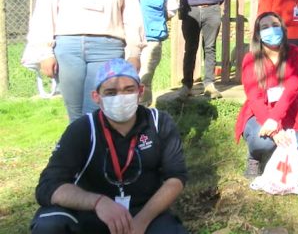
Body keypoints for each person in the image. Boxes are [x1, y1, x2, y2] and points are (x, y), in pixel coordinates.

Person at [30, 58, 188, 234]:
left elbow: (176, 177)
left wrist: (141, 221)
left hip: (143, 212)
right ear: (96, 97)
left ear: (140, 91)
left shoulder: (160, 123)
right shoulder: (83, 129)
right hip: (91, 212)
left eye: (128, 90)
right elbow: (48, 186)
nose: (120, 98)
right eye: (111, 93)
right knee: (49, 224)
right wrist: (97, 202)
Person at [236, 12, 298, 179]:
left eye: (275, 25)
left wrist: (275, 119)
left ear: (283, 29)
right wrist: (274, 131)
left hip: (290, 111)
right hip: (259, 113)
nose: (271, 30)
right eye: (265, 27)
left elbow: (292, 89)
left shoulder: (297, 54)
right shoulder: (250, 59)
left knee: (294, 145)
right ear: (258, 34)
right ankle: (253, 158)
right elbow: (254, 97)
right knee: (262, 141)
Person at [126, 0, 180, 106]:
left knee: (144, 78)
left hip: (152, 38)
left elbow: (171, 7)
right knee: (123, 78)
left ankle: (142, 118)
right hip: (125, 37)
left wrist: (153, 19)